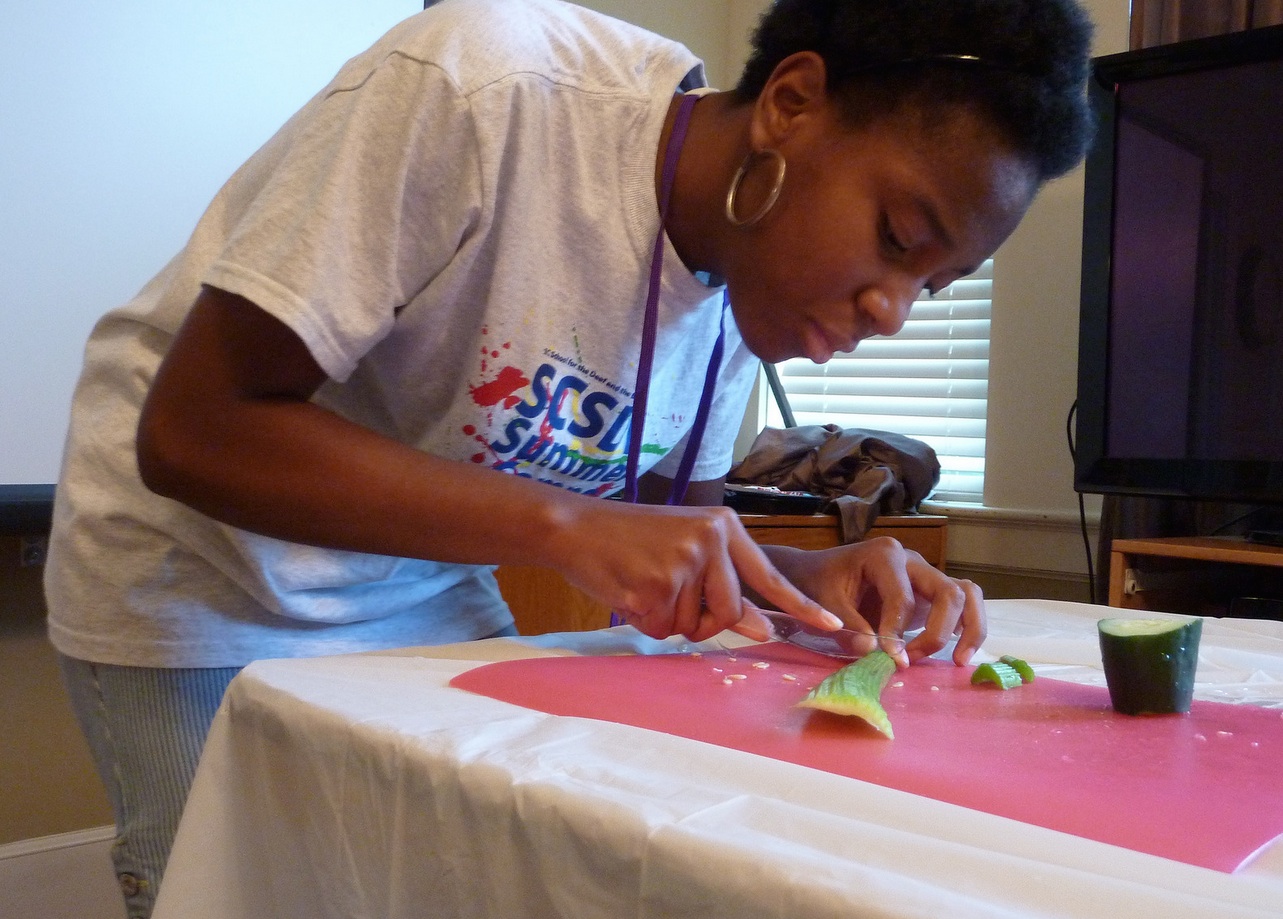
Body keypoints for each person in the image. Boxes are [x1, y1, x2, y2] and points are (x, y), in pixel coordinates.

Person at [45, 0, 1095, 914]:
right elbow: (193, 431)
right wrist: (565, 524)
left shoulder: (739, 277)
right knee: (247, 886)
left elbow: (663, 538)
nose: (891, 311)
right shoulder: (482, 85)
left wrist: (804, 586)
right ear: (790, 105)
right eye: (899, 239)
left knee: (459, 876)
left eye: (934, 286)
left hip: (414, 577)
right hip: (199, 567)